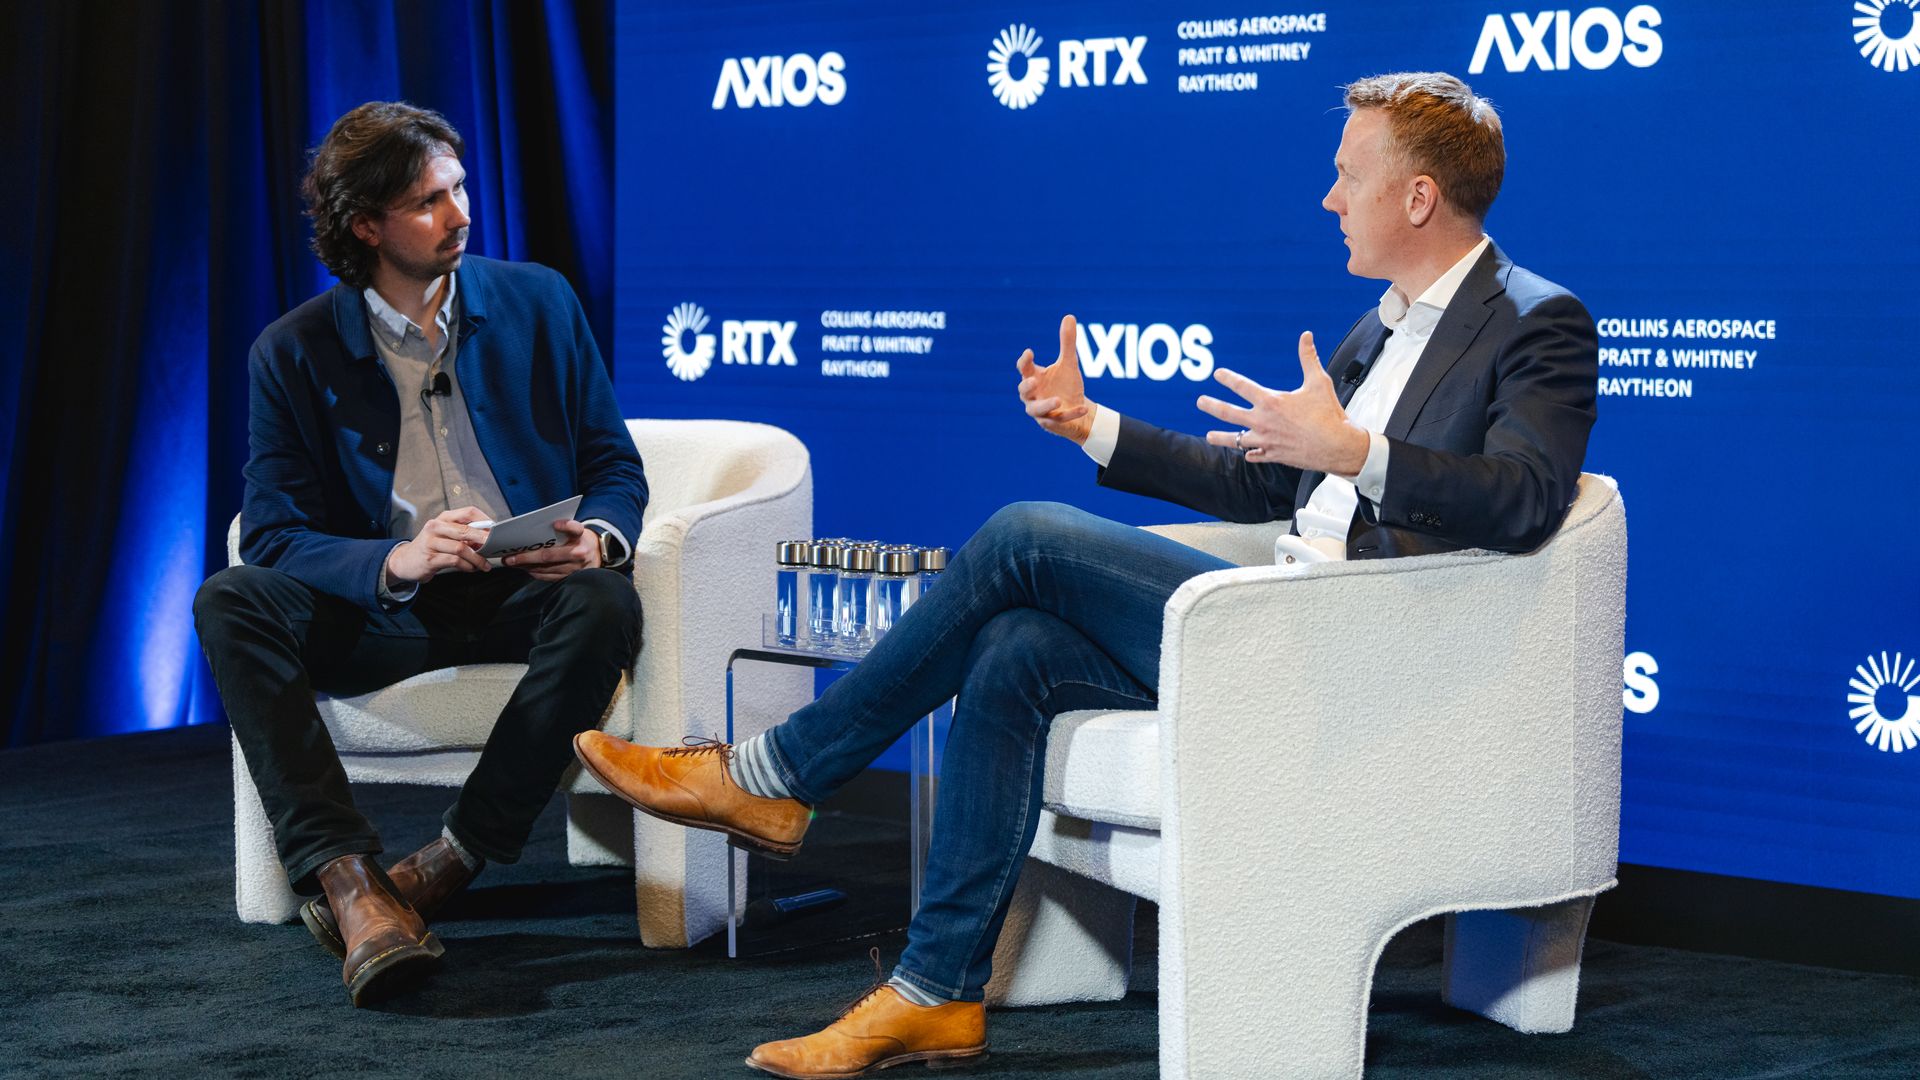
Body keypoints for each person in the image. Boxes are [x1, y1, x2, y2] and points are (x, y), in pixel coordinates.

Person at [575, 71, 1596, 1076]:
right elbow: (1265, 488)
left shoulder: (1538, 320)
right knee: (1015, 648)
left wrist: (1356, 452)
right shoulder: (1381, 324)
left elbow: (1525, 497)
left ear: (1417, 197)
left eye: (1348, 176)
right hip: (1270, 623)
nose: (1329, 198)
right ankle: (936, 992)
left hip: (1357, 647)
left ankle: (773, 777)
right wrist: (1091, 424)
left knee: (1025, 535)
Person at [194, 102, 645, 1006]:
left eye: (460, 187)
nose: (461, 213)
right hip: (388, 612)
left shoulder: (540, 301)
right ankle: (349, 880)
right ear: (366, 226)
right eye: (429, 201)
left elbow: (613, 466)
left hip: (522, 594)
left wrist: (595, 538)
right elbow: (274, 533)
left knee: (607, 599)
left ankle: (450, 859)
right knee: (229, 599)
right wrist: (395, 563)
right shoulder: (291, 352)